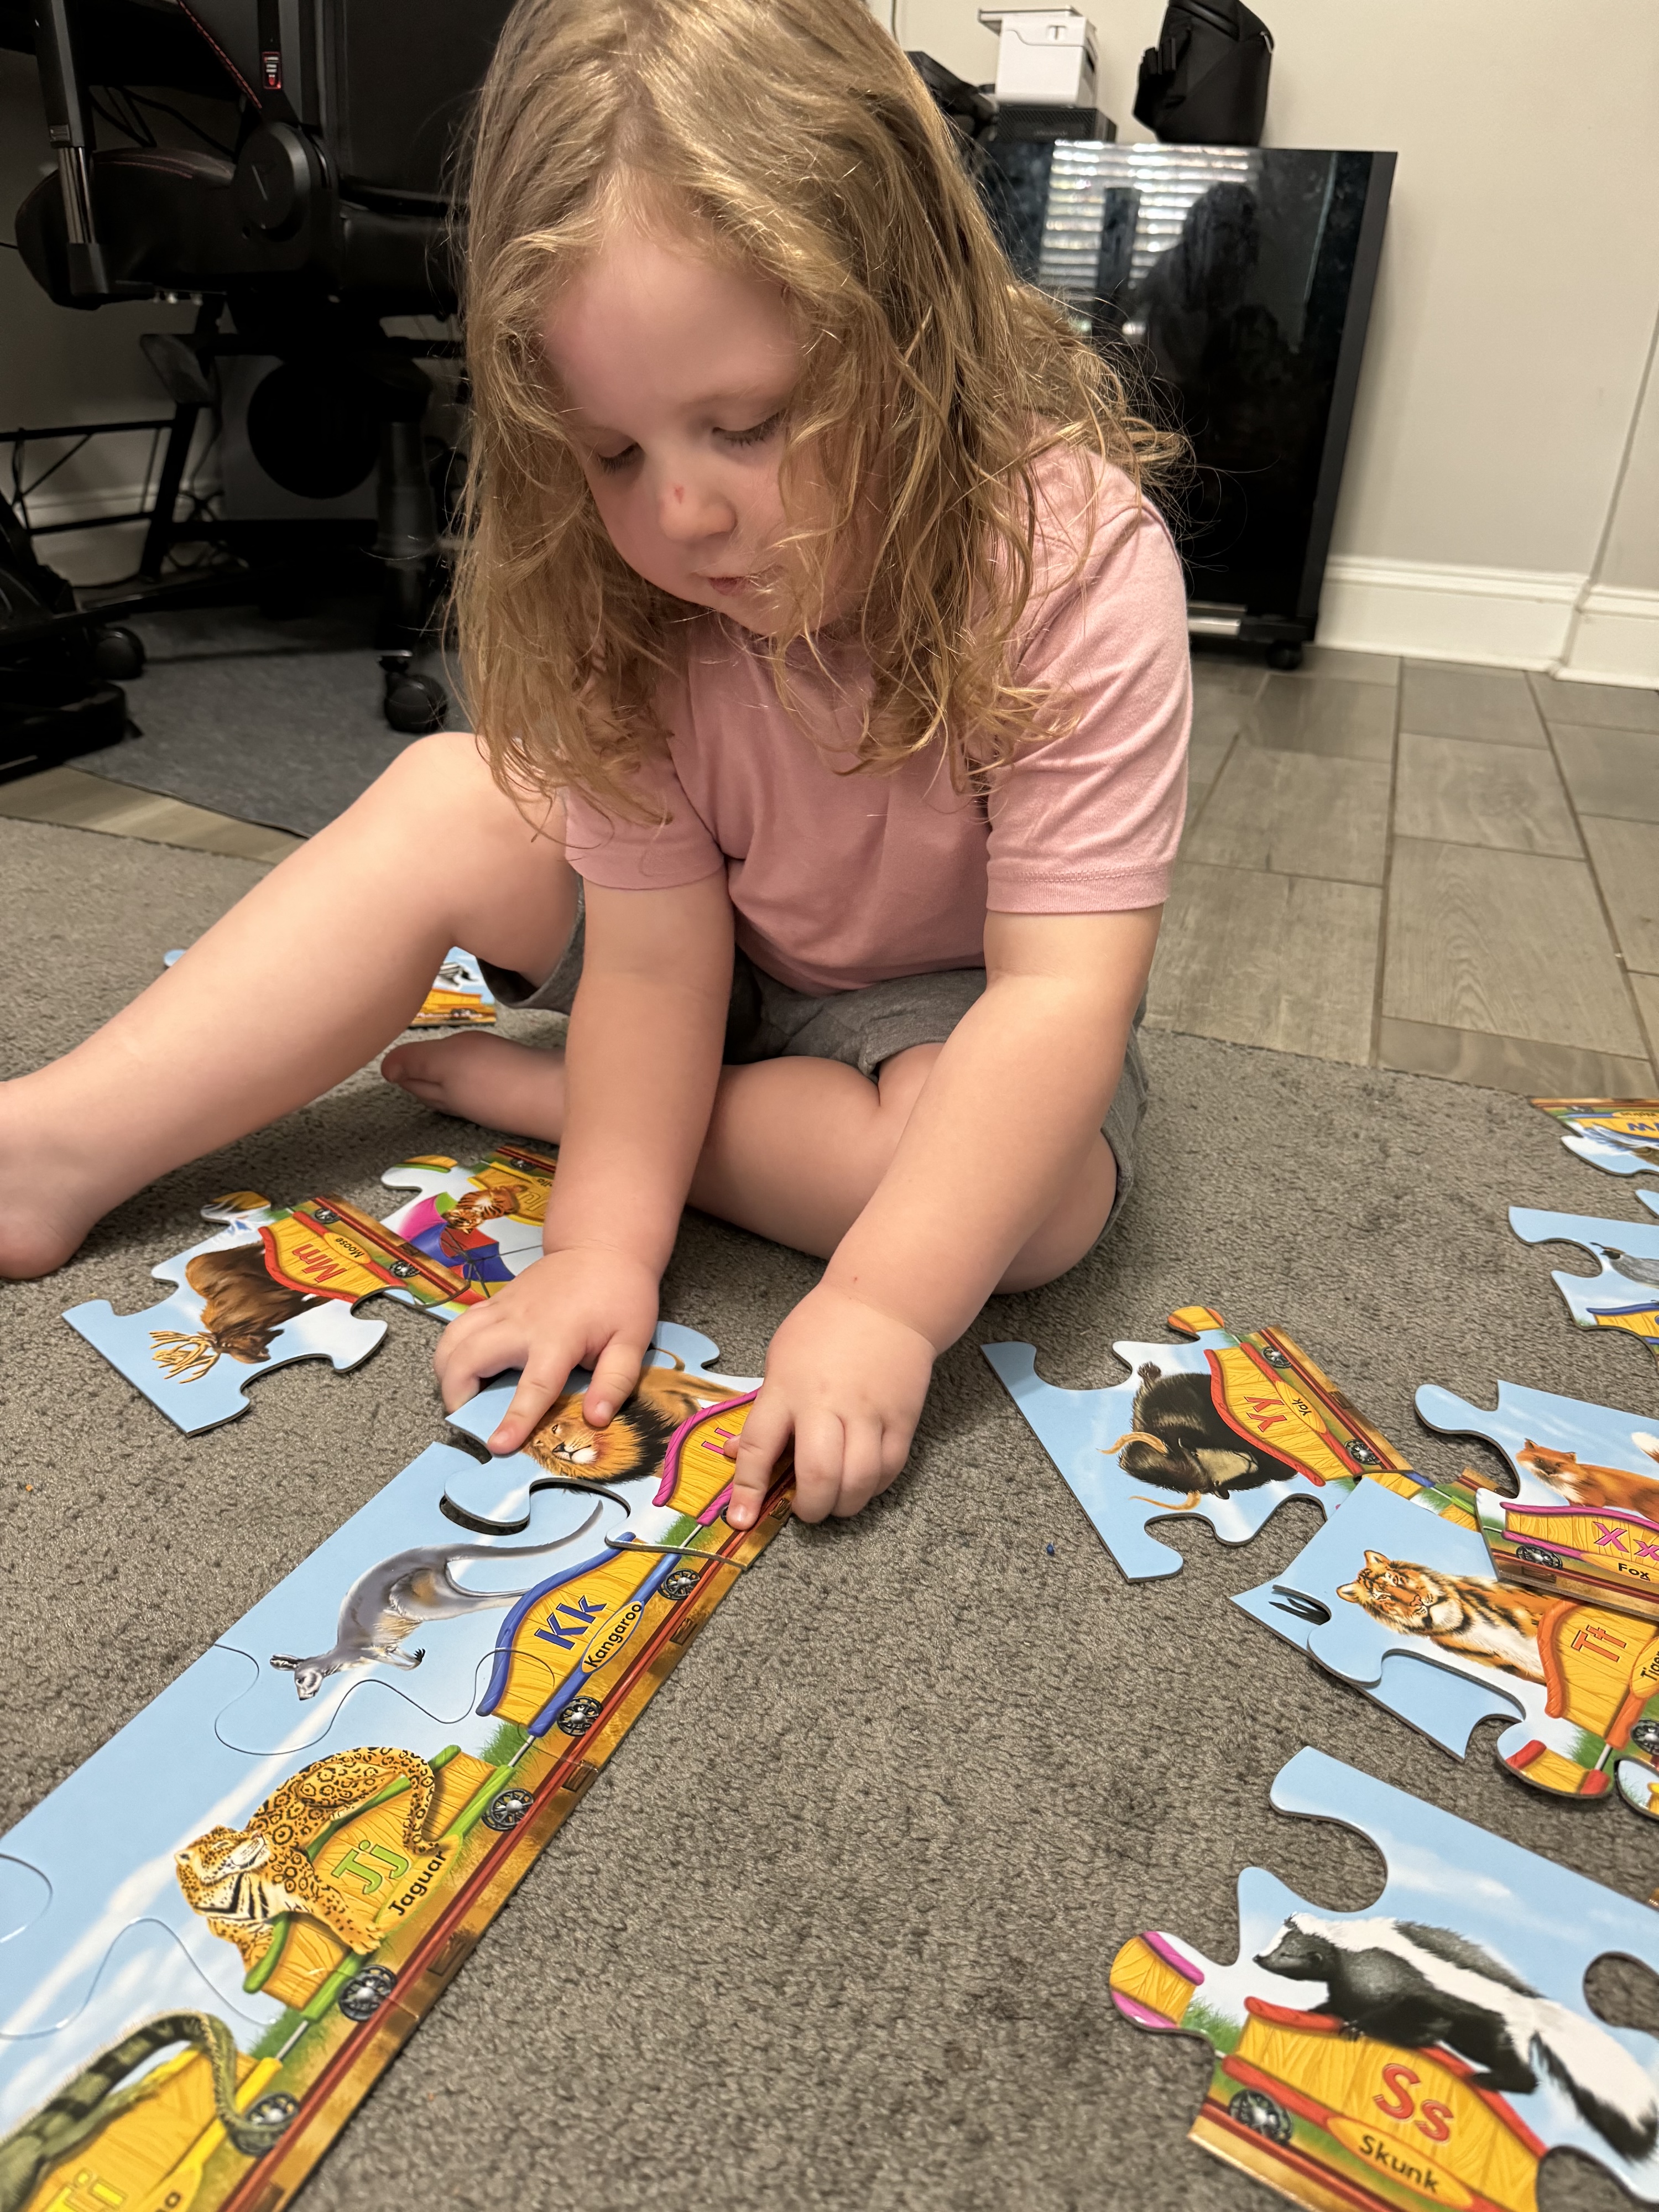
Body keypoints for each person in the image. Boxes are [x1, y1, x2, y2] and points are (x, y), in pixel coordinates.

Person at [0, 0, 1190, 1533]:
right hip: (711, 944)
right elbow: (653, 959)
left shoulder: (1073, 557)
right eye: (615, 452)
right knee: (447, 795)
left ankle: (570, 1105)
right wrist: (598, 1250)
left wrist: (883, 1307)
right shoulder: (624, 584)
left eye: (748, 424)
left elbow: (1058, 998)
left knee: (1034, 1211)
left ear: (917, 326)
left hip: (953, 993)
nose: (682, 514)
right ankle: (54, 1142)